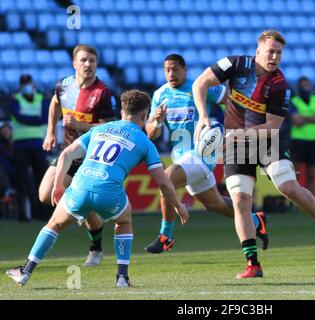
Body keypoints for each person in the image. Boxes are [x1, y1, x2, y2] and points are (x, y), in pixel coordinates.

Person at [193, 30, 315, 279]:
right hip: (235, 146)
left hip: (266, 140)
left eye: (279, 53)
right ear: (258, 50)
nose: (274, 56)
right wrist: (203, 117)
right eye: (270, 51)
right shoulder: (235, 64)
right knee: (240, 201)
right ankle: (253, 264)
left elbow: (271, 127)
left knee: (289, 188)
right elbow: (201, 83)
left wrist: (237, 135)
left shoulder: (280, 85)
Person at [5, 90, 189, 288]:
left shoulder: (100, 129)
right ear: (145, 116)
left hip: (81, 186)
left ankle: (26, 271)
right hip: (108, 193)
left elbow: (66, 154)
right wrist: (177, 205)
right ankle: (122, 277)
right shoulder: (145, 142)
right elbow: (163, 182)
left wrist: (58, 185)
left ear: (121, 110)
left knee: (54, 224)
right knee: (124, 220)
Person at [145, 54, 268, 253]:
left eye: (175, 69)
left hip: (203, 153)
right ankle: (256, 220)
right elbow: (151, 133)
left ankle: (165, 236)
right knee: (215, 204)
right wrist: (157, 121)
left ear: (185, 70)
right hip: (182, 158)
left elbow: (231, 99)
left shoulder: (199, 87)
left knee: (166, 179)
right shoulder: (160, 95)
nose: (171, 73)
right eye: (167, 70)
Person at [39, 45, 117, 266]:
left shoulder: (103, 92)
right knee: (44, 195)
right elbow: (55, 103)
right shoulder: (63, 86)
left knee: (77, 202)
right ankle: (93, 235)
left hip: (90, 157)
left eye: (92, 60)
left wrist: (79, 124)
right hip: (67, 152)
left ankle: (96, 250)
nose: (88, 64)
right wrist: (50, 132)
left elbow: (109, 128)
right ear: (74, 64)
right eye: (83, 60)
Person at [10, 74, 50, 221]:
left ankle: (42, 212)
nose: (27, 85)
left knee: (42, 180)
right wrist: (36, 120)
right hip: (21, 145)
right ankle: (24, 214)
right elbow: (19, 117)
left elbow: (45, 117)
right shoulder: (16, 99)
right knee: (22, 181)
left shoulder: (40, 98)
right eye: (24, 83)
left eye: (28, 82)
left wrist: (31, 120)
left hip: (37, 144)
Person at [289, 76, 315, 194]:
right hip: (298, 140)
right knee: (296, 174)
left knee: (311, 175)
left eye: (306, 85)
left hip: (314, 140)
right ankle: (294, 201)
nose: (305, 88)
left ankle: (311, 201)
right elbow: (295, 121)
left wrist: (303, 117)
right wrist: (313, 117)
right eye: (302, 86)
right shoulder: (294, 101)